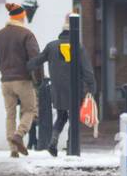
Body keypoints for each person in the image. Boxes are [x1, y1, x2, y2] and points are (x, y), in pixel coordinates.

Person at [0, 3, 41, 157]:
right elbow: (35, 58)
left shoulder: (0, 34)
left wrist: (4, 69)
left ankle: (13, 149)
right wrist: (38, 79)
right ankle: (19, 134)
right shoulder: (26, 34)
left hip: (6, 82)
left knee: (10, 113)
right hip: (23, 80)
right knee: (30, 109)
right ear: (22, 17)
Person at [39, 18, 96, 157]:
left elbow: (38, 61)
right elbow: (87, 71)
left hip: (58, 89)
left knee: (61, 117)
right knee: (74, 119)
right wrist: (92, 87)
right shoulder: (78, 47)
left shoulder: (51, 46)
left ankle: (53, 142)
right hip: (75, 89)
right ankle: (72, 146)